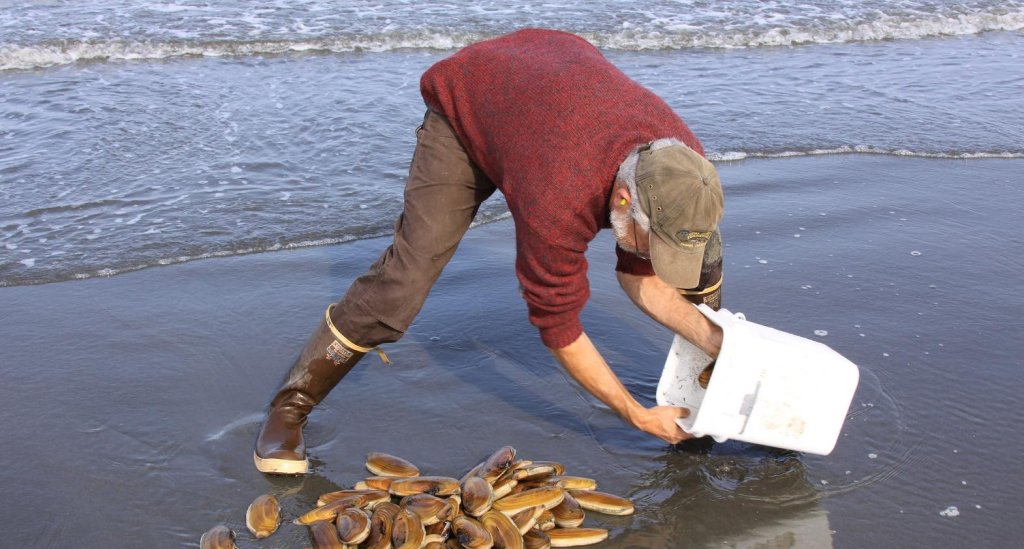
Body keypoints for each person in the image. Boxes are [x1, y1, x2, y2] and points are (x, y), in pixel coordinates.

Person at [253, 28, 725, 475]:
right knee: (404, 282)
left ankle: (707, 379)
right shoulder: (560, 195)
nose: (655, 258)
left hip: (551, 81)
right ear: (622, 198)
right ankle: (289, 406)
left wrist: (714, 340)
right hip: (472, 102)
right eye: (651, 243)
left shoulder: (683, 170)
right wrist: (636, 413)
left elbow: (640, 274)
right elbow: (558, 325)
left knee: (700, 262)